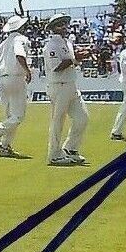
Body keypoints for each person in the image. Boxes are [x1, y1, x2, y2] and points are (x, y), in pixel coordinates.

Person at [43, 14, 88, 165]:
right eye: (59, 25)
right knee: (58, 121)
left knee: (82, 118)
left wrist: (78, 57)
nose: (63, 27)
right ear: (53, 28)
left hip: (71, 84)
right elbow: (56, 67)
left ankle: (70, 148)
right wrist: (76, 59)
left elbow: (70, 63)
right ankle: (54, 154)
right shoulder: (51, 45)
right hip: (59, 86)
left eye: (64, 24)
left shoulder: (67, 43)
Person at [0, 14, 31, 157]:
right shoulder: (21, 39)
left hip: (2, 79)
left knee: (10, 117)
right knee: (18, 116)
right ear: (21, 27)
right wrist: (27, 71)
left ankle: (5, 147)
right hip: (16, 78)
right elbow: (20, 55)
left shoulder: (2, 44)